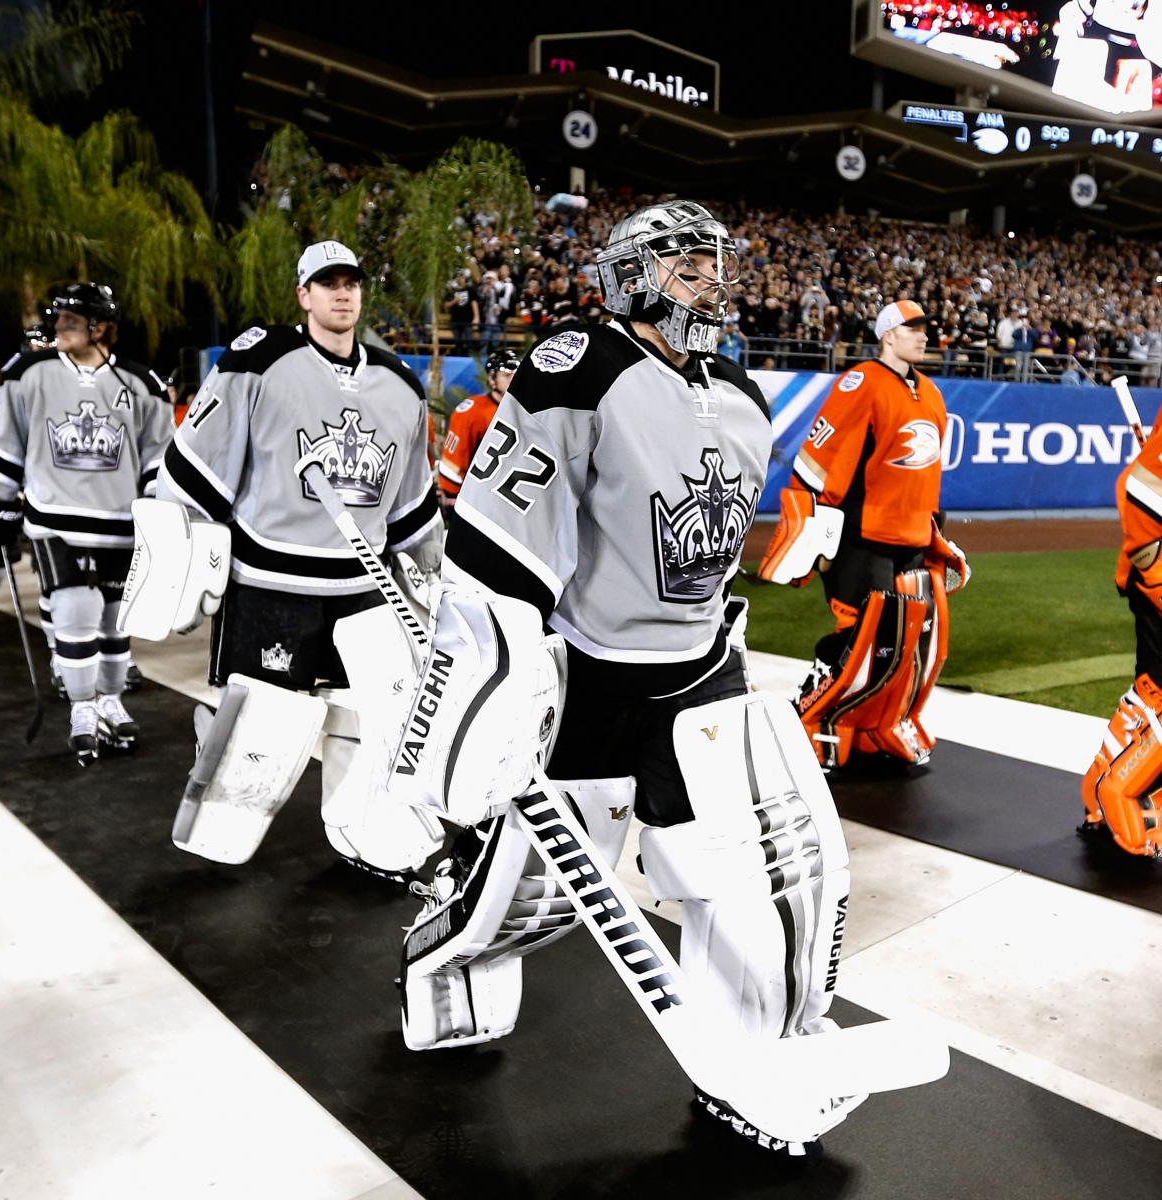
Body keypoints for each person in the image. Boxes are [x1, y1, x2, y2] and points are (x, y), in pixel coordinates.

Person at [387, 201, 881, 1154]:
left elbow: (710, 541)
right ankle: (445, 961)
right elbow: (496, 543)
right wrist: (495, 674)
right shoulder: (581, 364)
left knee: (763, 873)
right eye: (686, 266)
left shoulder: (738, 391)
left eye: (713, 265)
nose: (709, 281)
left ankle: (753, 1058)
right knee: (527, 899)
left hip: (700, 672)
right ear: (631, 276)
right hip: (591, 676)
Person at [128, 240, 444, 872]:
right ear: (304, 295)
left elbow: (411, 502)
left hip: (364, 588)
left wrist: (434, 571)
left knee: (367, 719)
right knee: (263, 727)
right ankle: (220, 786)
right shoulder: (259, 361)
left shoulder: (399, 383)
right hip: (272, 585)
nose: (342, 293)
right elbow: (194, 471)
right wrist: (179, 550)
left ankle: (361, 838)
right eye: (327, 283)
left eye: (351, 281)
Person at [757, 299, 970, 769]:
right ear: (888, 334)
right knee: (859, 636)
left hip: (912, 537)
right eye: (913, 329)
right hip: (862, 535)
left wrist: (935, 531)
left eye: (924, 329)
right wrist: (810, 526)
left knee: (909, 643)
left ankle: (877, 725)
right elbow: (818, 459)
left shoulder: (931, 393)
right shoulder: (860, 383)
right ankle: (812, 720)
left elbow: (926, 473)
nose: (923, 336)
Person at [0, 283, 172, 762]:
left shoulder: (142, 383)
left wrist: (159, 517)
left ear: (99, 326)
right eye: (58, 318)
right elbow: (8, 445)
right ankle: (82, 707)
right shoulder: (28, 374)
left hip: (120, 525)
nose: (58, 326)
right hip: (55, 519)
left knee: (113, 620)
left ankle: (110, 701)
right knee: (75, 611)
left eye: (69, 319)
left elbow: (156, 460)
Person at [1081, 407, 1162, 859]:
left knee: (1151, 692)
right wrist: (1156, 575)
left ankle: (1101, 790)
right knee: (1157, 693)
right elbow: (1138, 490)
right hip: (1154, 576)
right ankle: (1121, 797)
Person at [435, 348, 520, 514]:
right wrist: (453, 496)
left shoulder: (525, 412)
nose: (514, 379)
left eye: (516, 374)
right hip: (474, 501)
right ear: (492, 379)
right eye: (507, 375)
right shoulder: (473, 411)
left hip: (508, 502)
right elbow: (453, 461)